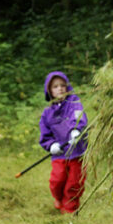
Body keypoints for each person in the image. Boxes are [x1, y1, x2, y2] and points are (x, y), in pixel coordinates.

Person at [38, 71, 88, 214]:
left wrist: (76, 130)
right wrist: (51, 145)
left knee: (75, 182)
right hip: (60, 154)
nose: (60, 88)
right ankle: (58, 198)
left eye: (62, 85)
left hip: (77, 152)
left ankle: (70, 209)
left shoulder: (74, 103)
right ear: (49, 91)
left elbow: (79, 116)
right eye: (55, 86)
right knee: (57, 180)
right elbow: (45, 134)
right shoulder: (47, 113)